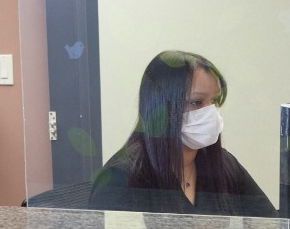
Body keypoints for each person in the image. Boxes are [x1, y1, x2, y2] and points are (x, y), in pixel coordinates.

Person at [88, 50, 276, 217]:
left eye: (215, 100)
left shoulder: (224, 165)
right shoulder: (121, 179)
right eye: (196, 102)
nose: (211, 111)